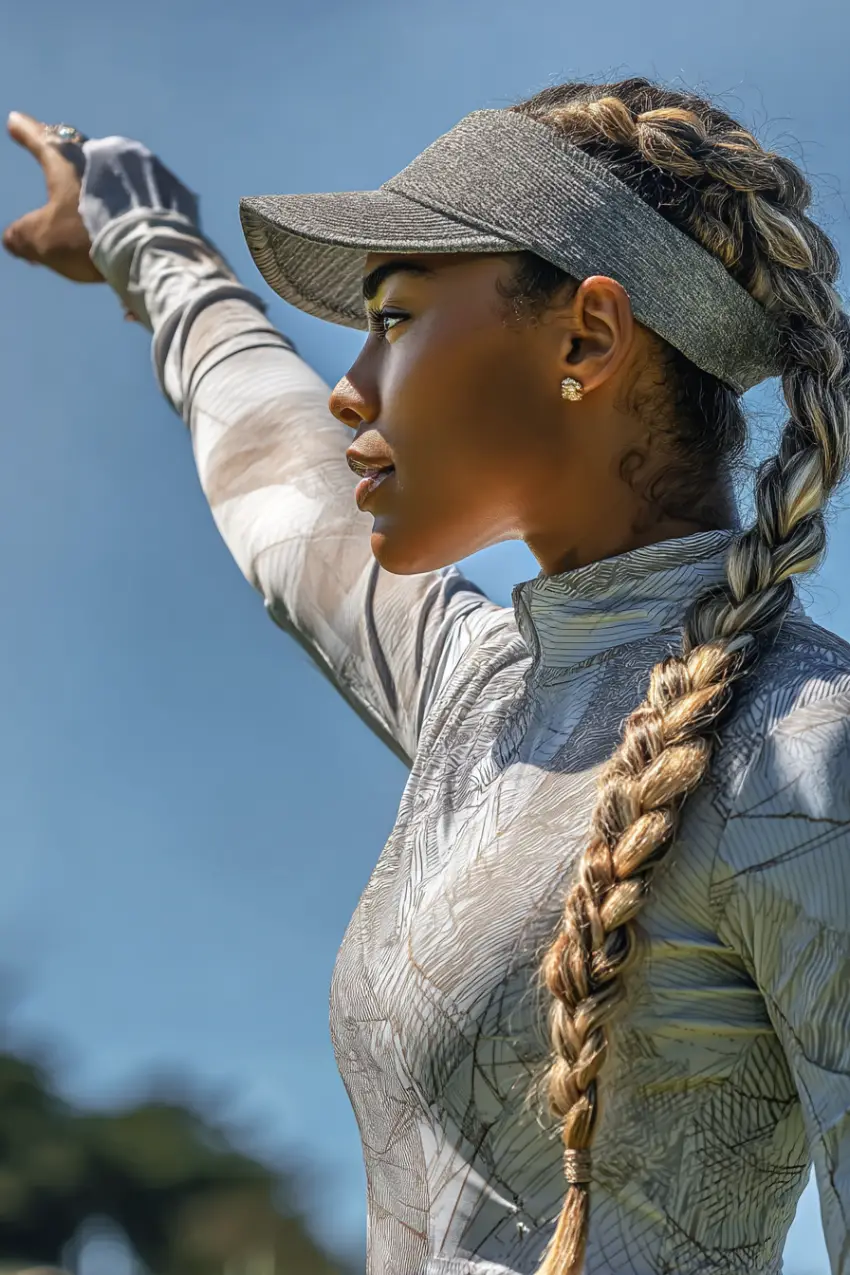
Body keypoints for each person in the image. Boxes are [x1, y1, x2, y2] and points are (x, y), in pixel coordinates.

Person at [4, 78, 850, 1275]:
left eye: (394, 320)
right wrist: (141, 230)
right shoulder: (482, 684)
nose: (349, 381)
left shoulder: (804, 749)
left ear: (586, 340)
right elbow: (277, 466)